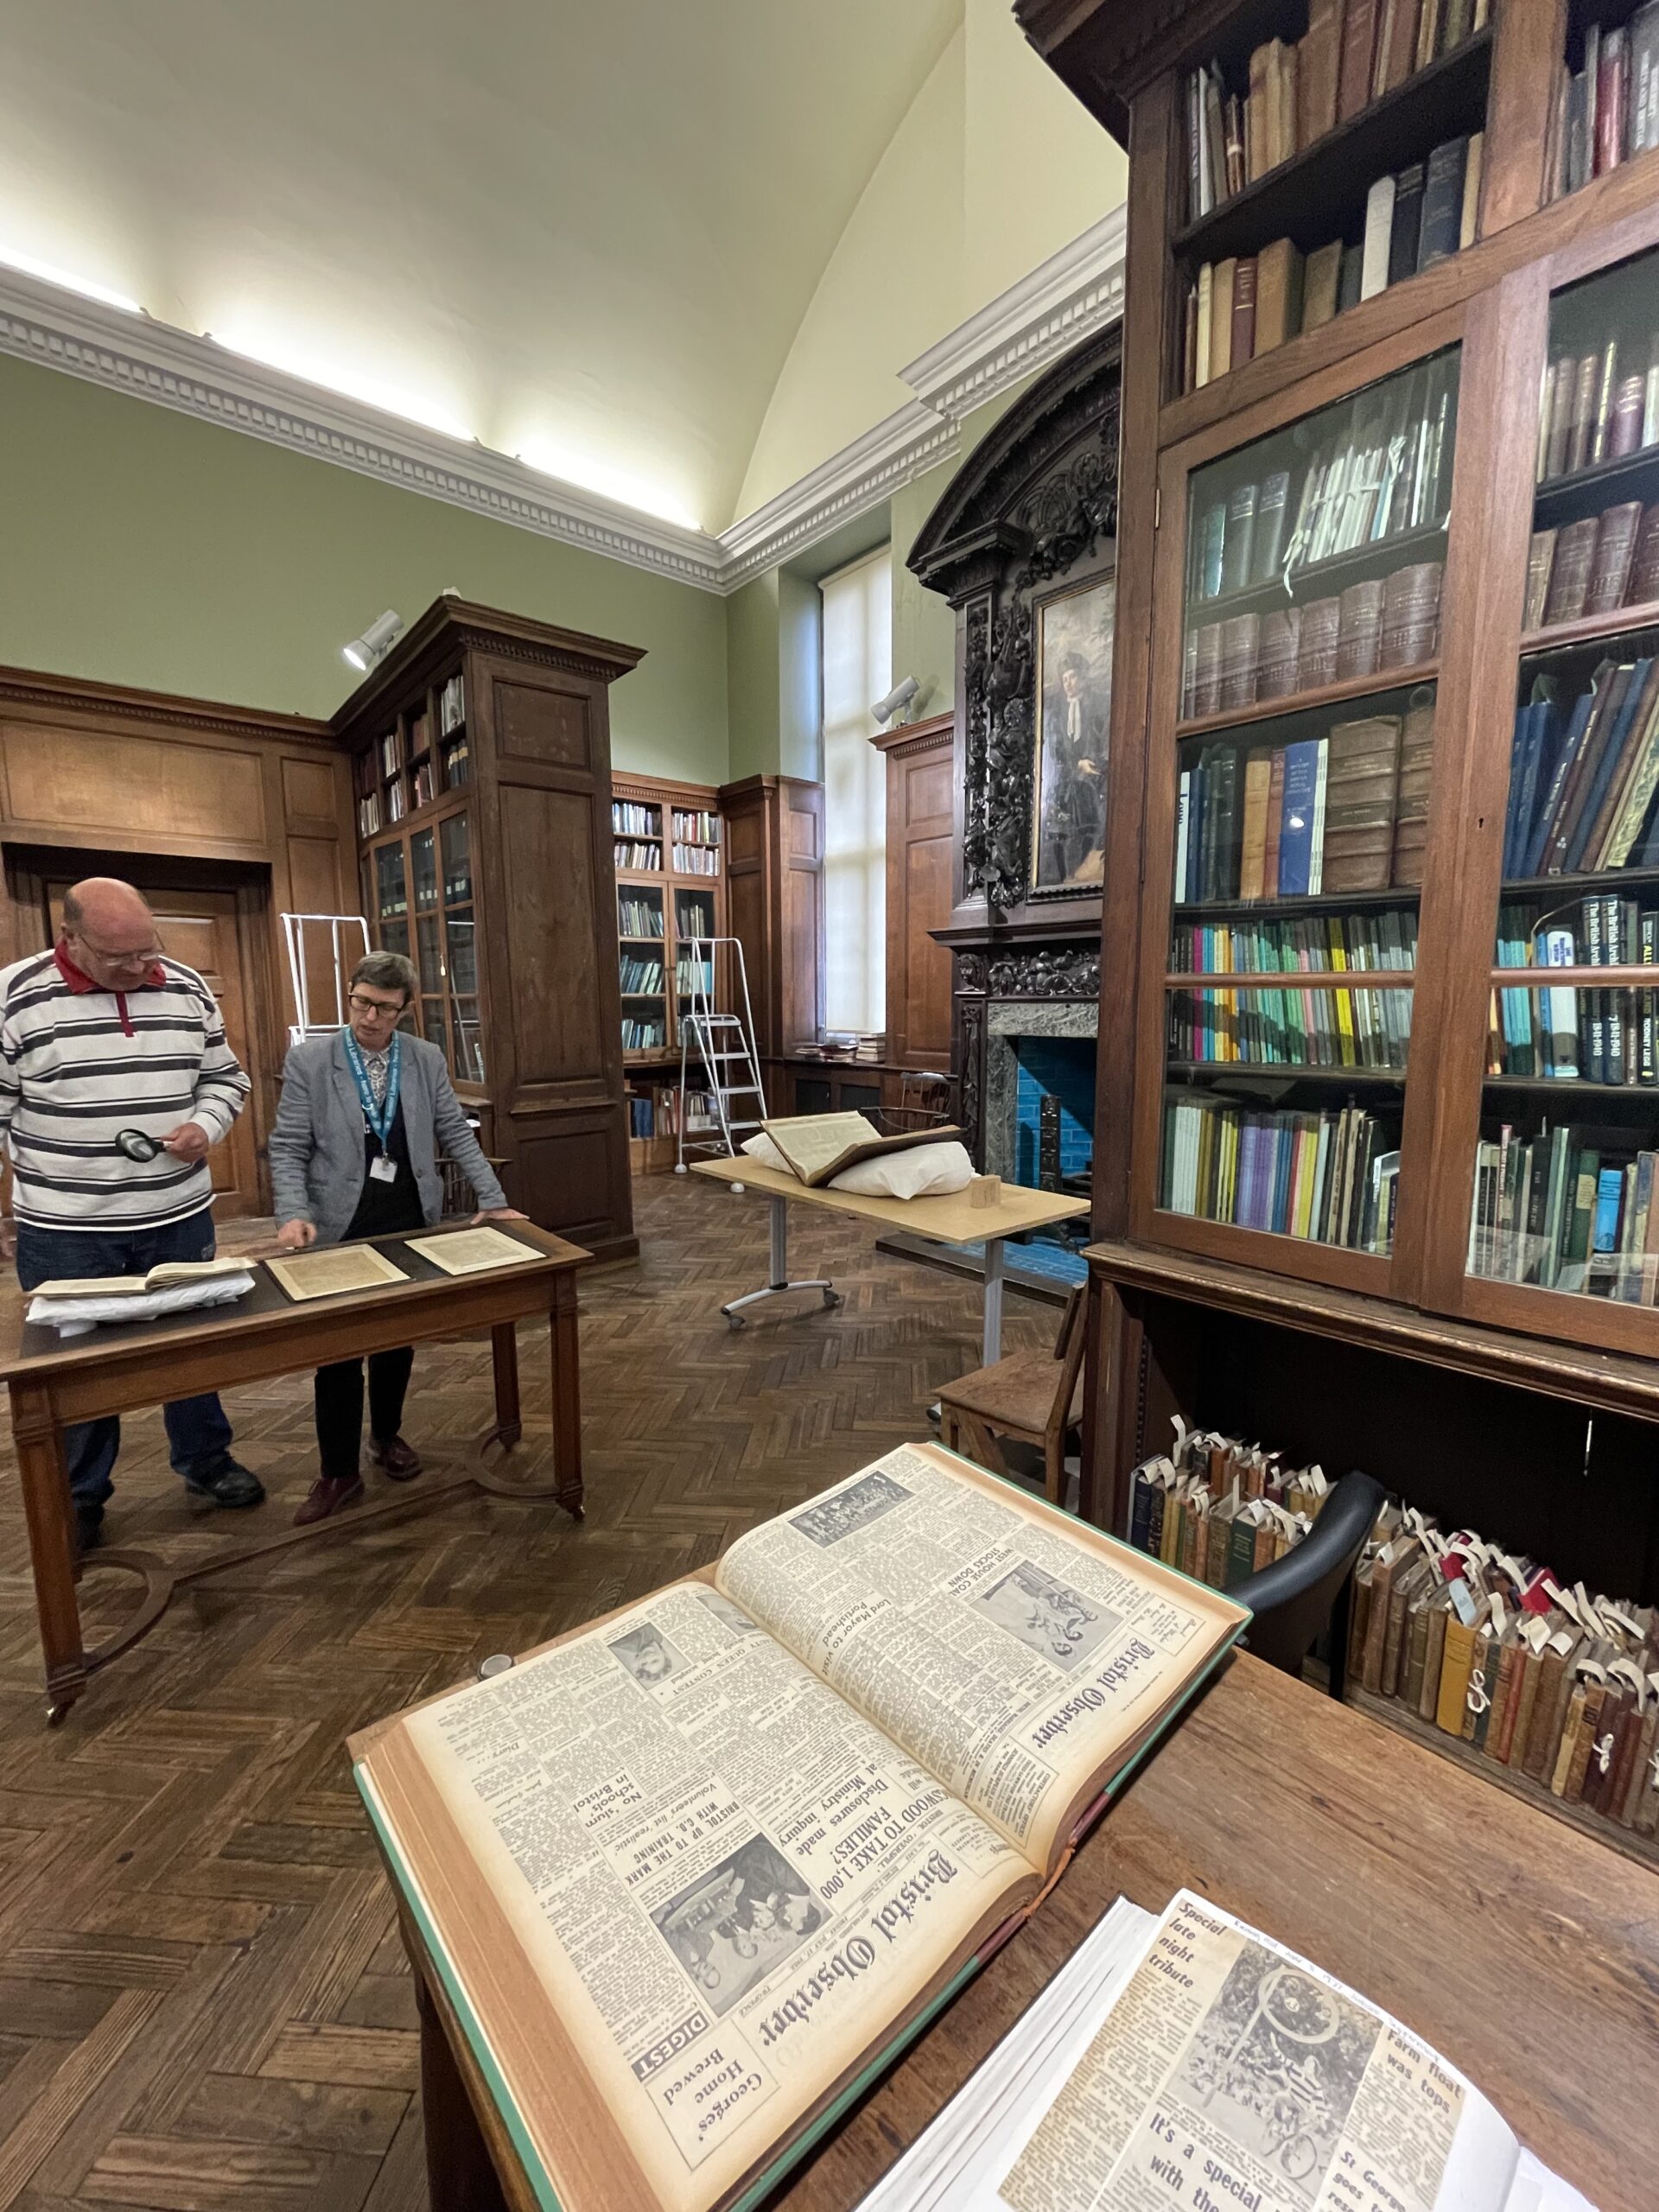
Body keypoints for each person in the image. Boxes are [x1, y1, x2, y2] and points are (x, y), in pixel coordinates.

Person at [0, 877, 262, 1551]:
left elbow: (226, 1078)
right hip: (65, 1230)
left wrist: (207, 1125)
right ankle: (81, 1497)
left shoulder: (184, 986)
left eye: (150, 949)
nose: (143, 968)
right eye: (122, 957)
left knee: (192, 1352)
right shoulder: (16, 996)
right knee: (79, 1374)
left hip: (178, 1216)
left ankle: (206, 1463)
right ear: (71, 940)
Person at [268, 951, 524, 1525]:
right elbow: (287, 1146)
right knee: (335, 1351)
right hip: (336, 1220)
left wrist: (494, 1199)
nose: (370, 1017)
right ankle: (338, 1472)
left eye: (385, 1009)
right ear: (351, 996)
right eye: (361, 1002)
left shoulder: (426, 1058)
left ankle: (387, 1437)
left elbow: (455, 1131)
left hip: (409, 1214)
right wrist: (291, 1211)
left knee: (396, 1338)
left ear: (405, 1011)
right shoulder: (313, 1060)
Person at [1040, 652, 1107, 884]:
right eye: (1065, 678)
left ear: (1084, 679)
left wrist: (1093, 762)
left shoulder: (1098, 707)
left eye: (1074, 677)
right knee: (1059, 824)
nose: (1069, 683)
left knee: (1091, 816)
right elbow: (1053, 754)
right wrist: (1075, 765)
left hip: (1094, 775)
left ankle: (1086, 867)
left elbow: (1105, 741)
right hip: (1065, 778)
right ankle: (1064, 877)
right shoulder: (1056, 715)